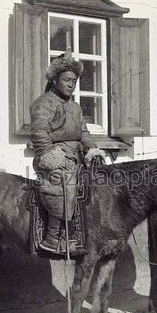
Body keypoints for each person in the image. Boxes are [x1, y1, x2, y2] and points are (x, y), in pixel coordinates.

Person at [30, 50, 106, 253]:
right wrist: (52, 156)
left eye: (74, 80)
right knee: (65, 183)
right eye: (66, 79)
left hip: (77, 156)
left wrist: (92, 150)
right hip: (52, 156)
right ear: (55, 79)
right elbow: (39, 132)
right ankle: (53, 237)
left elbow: (84, 132)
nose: (71, 84)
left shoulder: (75, 107)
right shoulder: (44, 103)